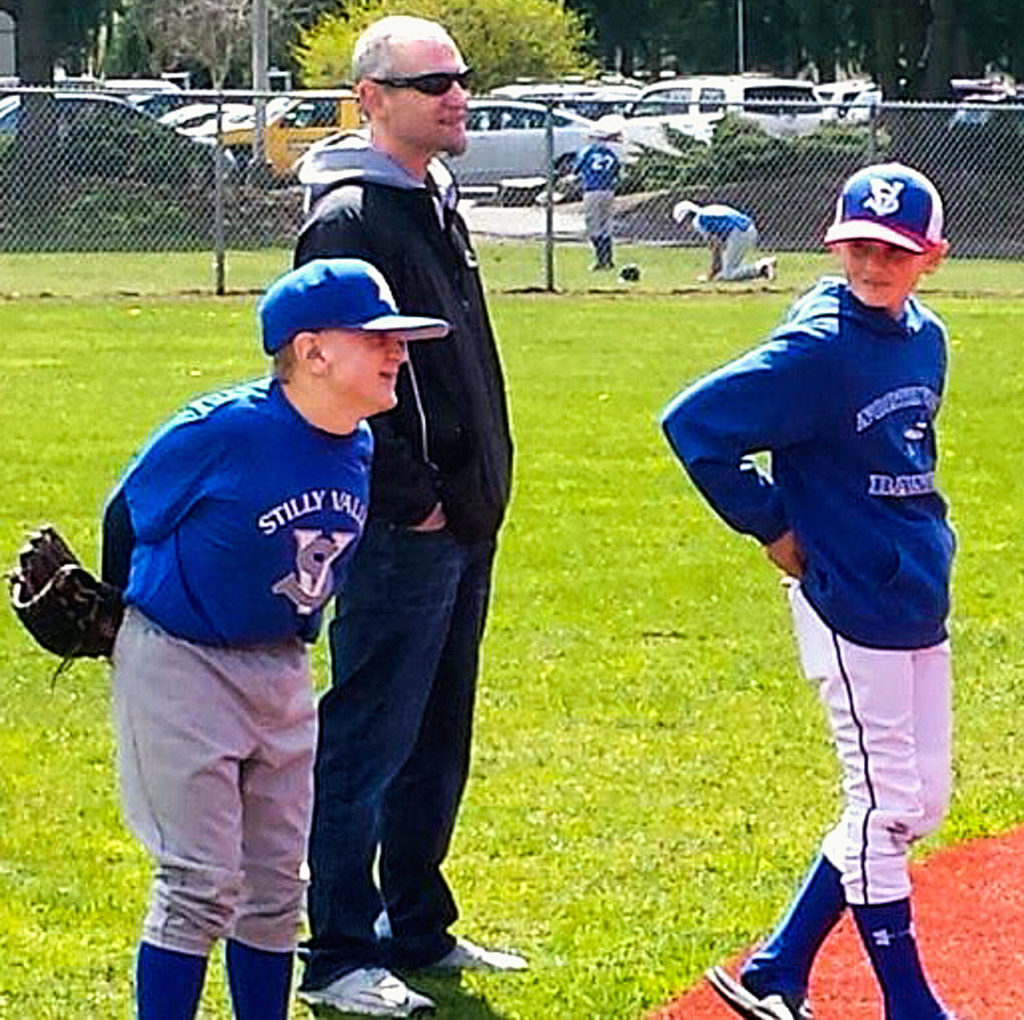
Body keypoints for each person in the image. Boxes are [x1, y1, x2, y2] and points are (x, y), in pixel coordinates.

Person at [100, 258, 449, 1020]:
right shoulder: (222, 433)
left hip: (281, 666)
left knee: (274, 889)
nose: (398, 352)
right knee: (198, 883)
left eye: (399, 340)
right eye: (377, 338)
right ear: (314, 350)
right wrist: (119, 618)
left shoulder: (358, 443)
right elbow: (130, 512)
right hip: (182, 661)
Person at [661, 163, 957, 1020]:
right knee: (884, 803)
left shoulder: (923, 337)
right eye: (860, 247)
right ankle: (911, 1005)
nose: (874, 265)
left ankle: (777, 967)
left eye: (895, 252)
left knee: (919, 802)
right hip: (846, 597)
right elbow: (693, 426)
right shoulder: (818, 347)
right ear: (835, 245)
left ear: (930, 256)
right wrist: (772, 526)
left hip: (913, 589)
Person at [291, 15, 520, 1019]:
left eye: (460, 79)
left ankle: (414, 927)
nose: (456, 95)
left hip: (465, 522)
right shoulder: (350, 217)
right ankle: (337, 953)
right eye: (434, 83)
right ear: (372, 98)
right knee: (368, 739)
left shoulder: (433, 200)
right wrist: (413, 503)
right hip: (403, 532)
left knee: (437, 736)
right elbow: (331, 377)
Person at [672, 199, 776, 282]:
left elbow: (715, 246)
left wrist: (712, 273)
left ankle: (762, 267)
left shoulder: (699, 221)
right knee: (730, 268)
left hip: (739, 233)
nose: (686, 227)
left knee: (728, 274)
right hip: (749, 229)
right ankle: (759, 268)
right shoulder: (708, 210)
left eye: (684, 223)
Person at [574, 114, 623, 270]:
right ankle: (608, 259)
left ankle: (601, 260)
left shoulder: (587, 152)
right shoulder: (611, 155)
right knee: (605, 226)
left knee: (593, 226)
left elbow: (577, 170)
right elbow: (616, 173)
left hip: (592, 190)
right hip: (608, 190)